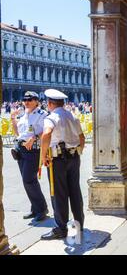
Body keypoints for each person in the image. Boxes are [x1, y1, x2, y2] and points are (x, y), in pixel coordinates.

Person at [40, 89, 85, 240]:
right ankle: (79, 223)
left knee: (58, 193)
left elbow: (46, 134)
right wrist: (78, 151)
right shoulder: (72, 115)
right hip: (74, 157)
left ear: (50, 103)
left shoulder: (51, 117)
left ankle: (60, 228)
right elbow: (82, 137)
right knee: (74, 191)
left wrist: (42, 156)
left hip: (57, 160)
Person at [11, 92, 49, 222]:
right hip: (21, 149)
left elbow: (46, 131)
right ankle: (35, 208)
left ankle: (42, 209)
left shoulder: (42, 115)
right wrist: (13, 120)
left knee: (29, 179)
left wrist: (34, 138)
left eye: (30, 99)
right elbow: (18, 133)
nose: (26, 102)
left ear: (37, 101)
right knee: (27, 180)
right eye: (24, 99)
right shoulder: (23, 115)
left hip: (33, 150)